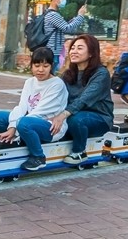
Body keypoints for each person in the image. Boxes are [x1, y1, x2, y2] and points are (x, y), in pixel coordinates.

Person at [0, 46, 68, 171]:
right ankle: (25, 141)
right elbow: (22, 106)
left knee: (24, 123)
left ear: (52, 66)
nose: (40, 70)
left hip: (51, 127)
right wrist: (12, 127)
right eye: (37, 65)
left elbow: (41, 111)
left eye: (45, 66)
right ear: (31, 65)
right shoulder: (30, 82)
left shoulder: (57, 84)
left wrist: (15, 127)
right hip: (29, 122)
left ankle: (39, 157)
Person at [48, 34, 113, 165]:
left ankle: (79, 152)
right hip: (74, 114)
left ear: (91, 53)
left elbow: (84, 99)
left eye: (80, 48)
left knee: (75, 119)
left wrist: (62, 115)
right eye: (72, 48)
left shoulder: (101, 74)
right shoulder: (68, 74)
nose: (74, 51)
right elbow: (55, 94)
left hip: (99, 118)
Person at [42, 0, 89, 71]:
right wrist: (80, 16)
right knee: (50, 77)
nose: (64, 0)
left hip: (52, 51)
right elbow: (67, 28)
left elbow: (64, 25)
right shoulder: (53, 15)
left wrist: (77, 17)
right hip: (52, 52)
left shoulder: (50, 13)